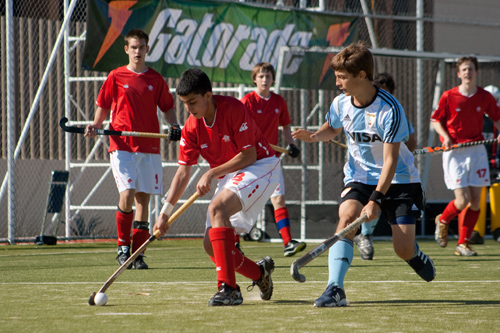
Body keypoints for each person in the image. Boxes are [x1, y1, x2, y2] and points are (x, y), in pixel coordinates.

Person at [293, 41, 435, 307]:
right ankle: (335, 289)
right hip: (359, 176)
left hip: (399, 180)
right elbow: (331, 128)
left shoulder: (390, 109)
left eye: (341, 77)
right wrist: (312, 136)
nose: (337, 83)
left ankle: (414, 254)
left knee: (401, 249)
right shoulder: (340, 104)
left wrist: (375, 199)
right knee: (346, 216)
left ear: (361, 75)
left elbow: (391, 161)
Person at [153, 68, 281, 306]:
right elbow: (182, 173)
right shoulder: (191, 127)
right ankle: (260, 273)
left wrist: (211, 173)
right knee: (210, 245)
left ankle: (229, 289)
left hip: (261, 166)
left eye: (193, 102)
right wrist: (164, 213)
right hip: (231, 173)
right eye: (184, 103)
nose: (189, 109)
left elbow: (249, 155)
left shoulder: (233, 109)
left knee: (216, 208)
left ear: (208, 96)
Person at [85, 29, 181, 269]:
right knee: (127, 194)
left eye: (142, 47)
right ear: (126, 49)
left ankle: (137, 254)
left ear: (147, 49)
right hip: (122, 146)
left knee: (142, 200)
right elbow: (103, 105)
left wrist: (174, 125)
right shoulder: (116, 76)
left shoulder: (156, 80)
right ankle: (122, 247)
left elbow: (168, 107)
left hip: (149, 148)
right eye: (133, 47)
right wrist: (96, 125)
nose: (138, 51)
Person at [431, 57, 500, 256]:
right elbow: (436, 120)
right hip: (455, 151)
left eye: (470, 68)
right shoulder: (449, 96)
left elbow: (496, 116)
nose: (467, 72)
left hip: (477, 150)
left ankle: (463, 244)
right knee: (462, 201)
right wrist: (445, 137)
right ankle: (442, 219)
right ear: (458, 73)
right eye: (464, 69)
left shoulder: (485, 96)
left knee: (476, 201)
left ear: (477, 72)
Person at [238, 62, 306, 257]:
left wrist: (290, 145)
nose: (265, 80)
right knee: (240, 201)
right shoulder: (247, 101)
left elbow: (285, 126)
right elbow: (238, 126)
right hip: (250, 160)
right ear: (255, 79)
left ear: (272, 79)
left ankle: (287, 242)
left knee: (279, 199)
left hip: (272, 159)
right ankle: (234, 243)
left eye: (268, 76)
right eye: (261, 76)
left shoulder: (278, 101)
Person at [353, 72, 417, 260]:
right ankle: (365, 235)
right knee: (372, 201)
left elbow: (411, 140)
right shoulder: (363, 110)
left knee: (387, 203)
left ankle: (400, 236)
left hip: (393, 168)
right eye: (380, 91)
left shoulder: (395, 112)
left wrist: (402, 155)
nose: (383, 96)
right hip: (368, 169)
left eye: (387, 92)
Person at [468, 85, 500, 244]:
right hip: (478, 161)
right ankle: (476, 231)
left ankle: (498, 229)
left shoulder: (497, 119)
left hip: (496, 163)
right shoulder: (476, 117)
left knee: (497, 192)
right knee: (477, 194)